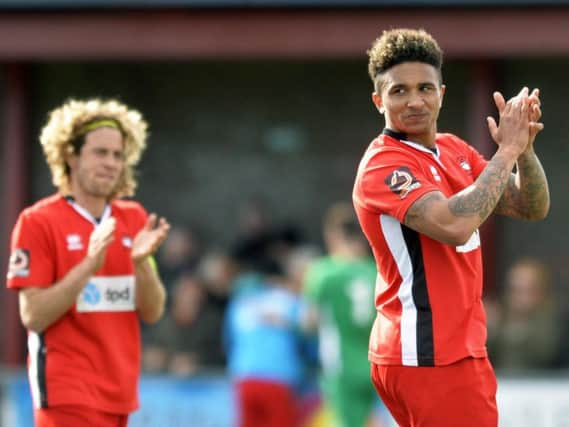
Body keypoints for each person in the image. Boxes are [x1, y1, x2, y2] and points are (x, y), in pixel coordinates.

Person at [352, 28, 549, 426]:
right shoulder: (384, 164)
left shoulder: (454, 149)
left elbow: (531, 206)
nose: (414, 101)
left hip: (445, 351)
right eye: (398, 91)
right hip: (430, 355)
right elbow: (456, 224)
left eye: (425, 88)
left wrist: (523, 152)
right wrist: (506, 150)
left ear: (442, 92)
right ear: (378, 100)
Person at [6, 98, 170, 426]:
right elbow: (33, 316)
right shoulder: (38, 221)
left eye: (118, 155)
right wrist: (88, 266)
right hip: (66, 393)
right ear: (70, 155)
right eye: (100, 152)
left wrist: (140, 264)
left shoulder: (134, 217)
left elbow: (153, 311)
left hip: (119, 393)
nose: (111, 163)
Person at [303, 202, 388, 427]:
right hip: (373, 364)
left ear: (333, 234)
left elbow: (309, 321)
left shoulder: (323, 273)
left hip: (341, 365)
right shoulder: (374, 271)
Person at [487, 257, 563, 371]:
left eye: (526, 290)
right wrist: (487, 330)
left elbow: (545, 354)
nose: (518, 297)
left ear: (541, 291)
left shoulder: (553, 318)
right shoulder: (500, 315)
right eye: (514, 289)